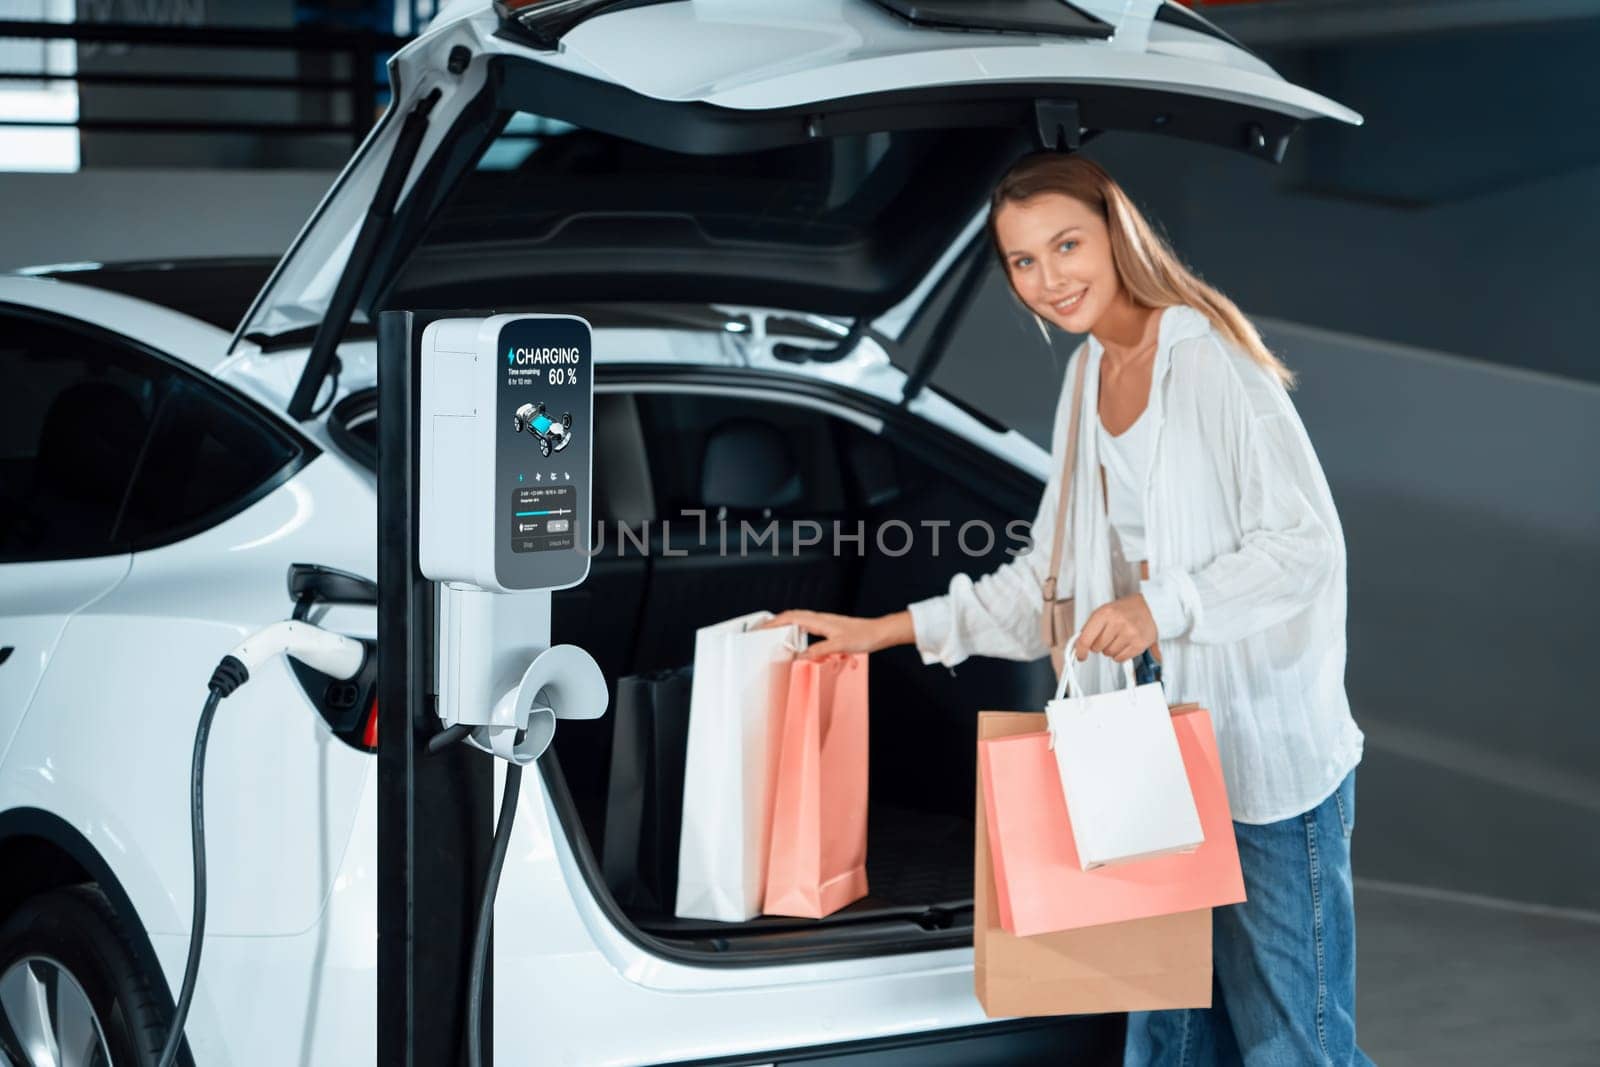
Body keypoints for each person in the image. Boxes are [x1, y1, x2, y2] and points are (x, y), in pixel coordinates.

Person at [760, 151, 1372, 1066]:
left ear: (1116, 231)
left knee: (1293, 1042)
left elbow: (1307, 549)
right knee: (1165, 1027)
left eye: (1066, 244)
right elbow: (1046, 579)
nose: (1049, 280)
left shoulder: (1206, 361)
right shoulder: (1088, 376)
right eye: (1023, 262)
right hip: (1145, 740)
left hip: (1261, 752)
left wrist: (1163, 607)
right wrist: (882, 632)